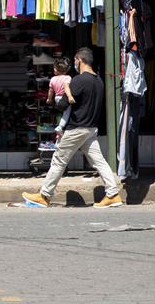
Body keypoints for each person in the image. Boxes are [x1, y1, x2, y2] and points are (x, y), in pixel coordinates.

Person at [22, 48, 122, 208]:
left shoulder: (79, 80)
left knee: (58, 160)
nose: (74, 64)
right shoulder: (99, 81)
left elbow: (63, 105)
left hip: (77, 128)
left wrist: (55, 100)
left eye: (75, 61)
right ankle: (113, 194)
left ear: (79, 60)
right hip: (91, 128)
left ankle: (44, 195)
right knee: (99, 161)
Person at [47, 57, 75, 134]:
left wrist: (49, 99)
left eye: (54, 68)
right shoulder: (67, 78)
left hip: (56, 98)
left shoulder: (52, 79)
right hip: (64, 98)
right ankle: (60, 127)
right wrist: (70, 97)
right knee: (67, 113)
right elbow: (66, 87)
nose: (53, 69)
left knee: (61, 113)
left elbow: (51, 90)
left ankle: (59, 125)